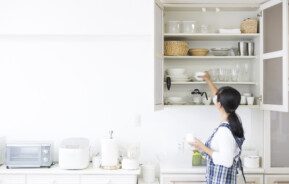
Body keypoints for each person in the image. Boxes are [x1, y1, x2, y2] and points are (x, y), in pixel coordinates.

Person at [191, 72, 246, 184]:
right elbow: (218, 94)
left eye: (217, 98)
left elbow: (226, 161)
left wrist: (201, 146)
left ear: (220, 104)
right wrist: (208, 79)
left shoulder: (224, 131)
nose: (214, 97)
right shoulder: (234, 119)